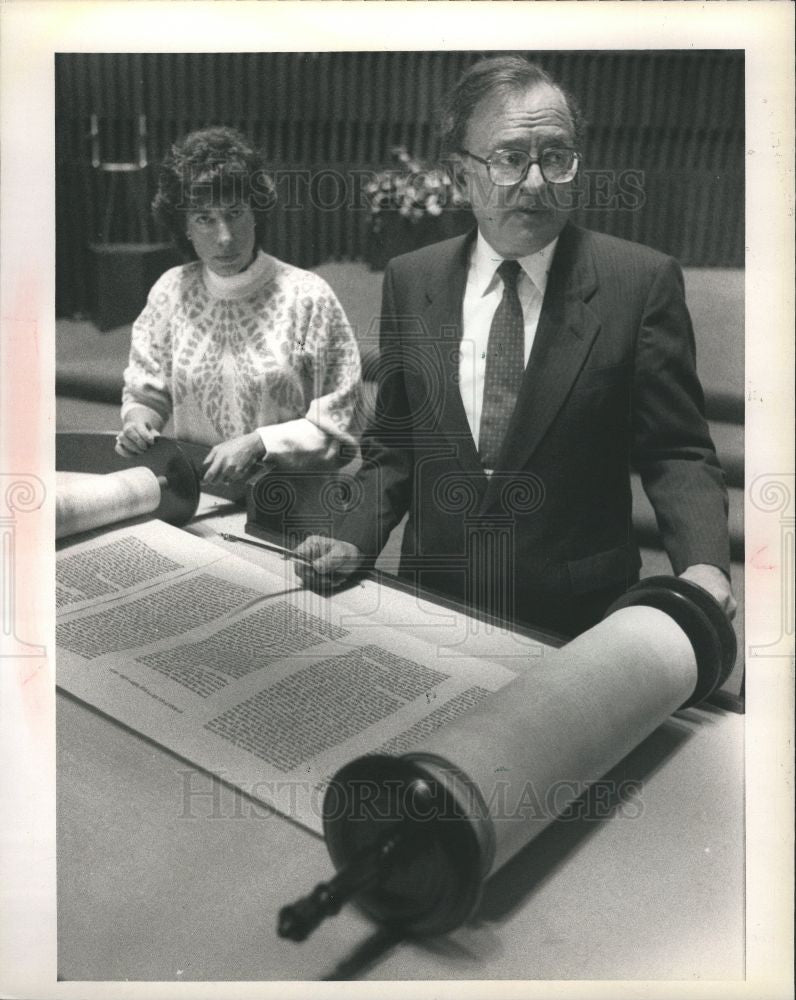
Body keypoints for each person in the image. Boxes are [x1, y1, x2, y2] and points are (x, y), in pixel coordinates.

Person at [295, 56, 736, 637]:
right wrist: (353, 538)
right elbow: (397, 443)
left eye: (555, 157)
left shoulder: (639, 282)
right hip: (433, 596)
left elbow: (676, 450)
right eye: (509, 159)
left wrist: (703, 565)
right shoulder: (412, 278)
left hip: (579, 614)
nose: (535, 182)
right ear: (459, 176)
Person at [116, 126, 361, 485]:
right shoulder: (170, 292)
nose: (225, 237)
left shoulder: (307, 298)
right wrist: (138, 422)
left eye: (234, 213)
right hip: (201, 493)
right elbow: (146, 395)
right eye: (204, 219)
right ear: (183, 226)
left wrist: (260, 443)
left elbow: (340, 424)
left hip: (288, 502)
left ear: (256, 213)